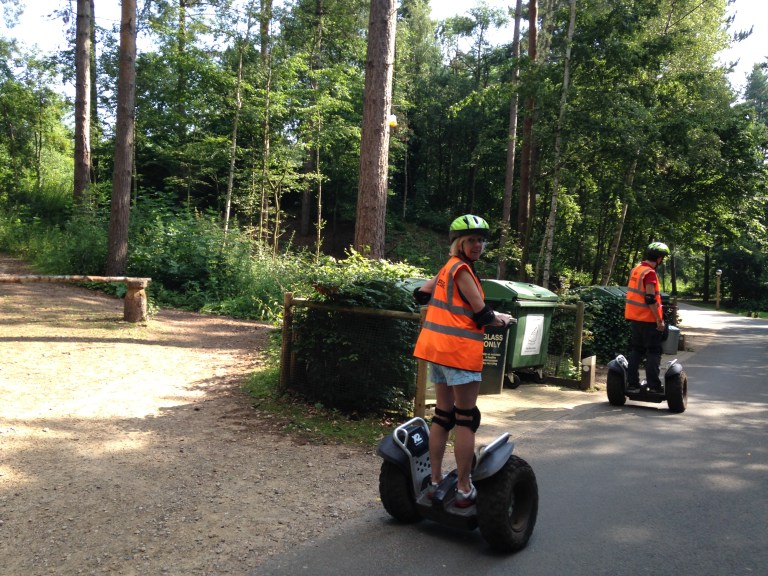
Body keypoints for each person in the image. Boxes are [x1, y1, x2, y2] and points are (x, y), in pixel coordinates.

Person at [412, 214, 514, 508]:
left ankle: (434, 482)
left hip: (437, 351)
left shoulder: (448, 267)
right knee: (465, 419)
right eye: (471, 240)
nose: (477, 245)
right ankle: (463, 488)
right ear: (459, 243)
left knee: (442, 416)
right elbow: (482, 314)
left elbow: (420, 294)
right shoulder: (463, 271)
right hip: (458, 353)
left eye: (481, 240)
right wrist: (503, 320)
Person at [624, 242, 670, 391]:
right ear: (659, 258)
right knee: (653, 351)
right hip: (649, 319)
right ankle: (654, 386)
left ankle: (632, 384)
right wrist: (659, 320)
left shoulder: (636, 269)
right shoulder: (649, 273)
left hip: (635, 317)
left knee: (636, 350)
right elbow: (650, 298)